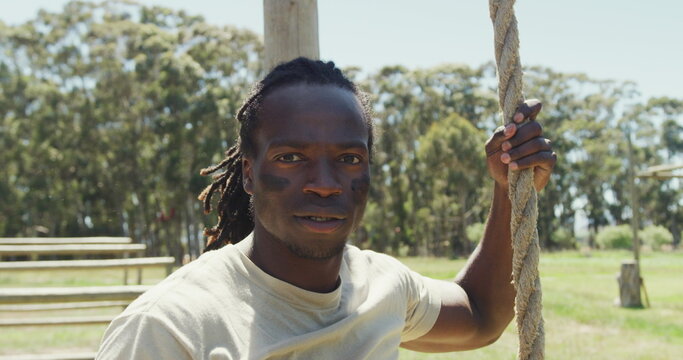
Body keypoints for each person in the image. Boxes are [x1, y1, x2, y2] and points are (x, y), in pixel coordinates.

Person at [96, 58, 556, 359]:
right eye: (291, 158)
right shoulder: (168, 328)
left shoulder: (383, 287)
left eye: (348, 159)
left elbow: (480, 314)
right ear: (250, 175)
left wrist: (506, 189)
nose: (323, 184)